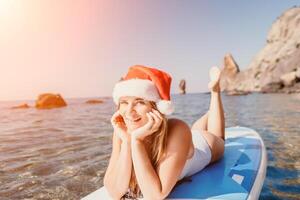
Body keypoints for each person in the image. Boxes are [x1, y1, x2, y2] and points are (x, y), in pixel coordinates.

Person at [103, 65, 225, 199]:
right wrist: (127, 141)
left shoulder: (178, 128)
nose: (129, 111)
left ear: (156, 108)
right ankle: (207, 115)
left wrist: (136, 141)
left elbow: (155, 195)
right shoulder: (122, 131)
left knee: (219, 137)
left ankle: (215, 92)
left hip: (205, 145)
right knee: (194, 130)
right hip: (183, 143)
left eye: (139, 102)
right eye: (124, 102)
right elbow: (114, 192)